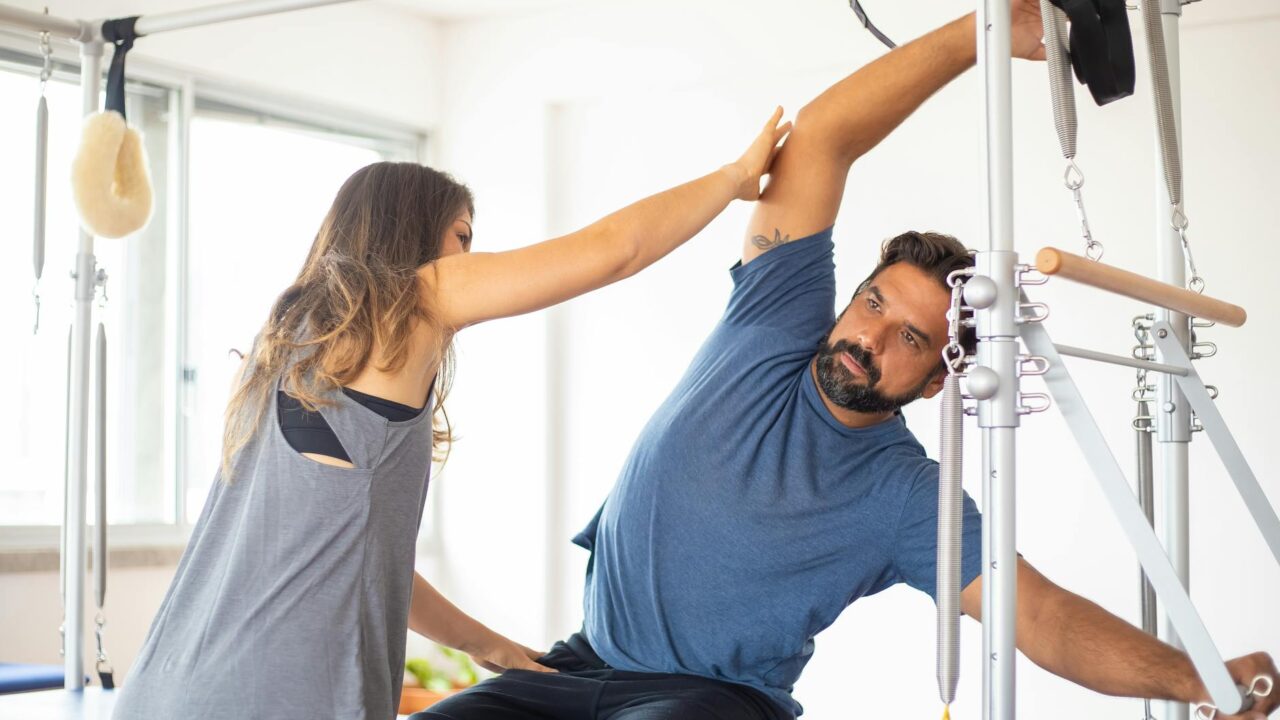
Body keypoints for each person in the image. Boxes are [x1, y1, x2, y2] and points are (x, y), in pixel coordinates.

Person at [417, 3, 1278, 719]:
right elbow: (822, 138)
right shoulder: (772, 319)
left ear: (940, 378)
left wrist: (1196, 677)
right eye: (873, 305)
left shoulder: (908, 498)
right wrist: (982, 32)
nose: (870, 339)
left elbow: (1040, 616)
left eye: (909, 337)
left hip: (708, 701)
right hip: (581, 666)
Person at [110, 109, 792, 720]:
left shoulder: (287, 347)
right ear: (414, 237)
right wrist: (734, 177)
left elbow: (358, 561)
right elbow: (616, 249)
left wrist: (484, 643)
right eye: (462, 237)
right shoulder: (414, 298)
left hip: (162, 692)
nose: (469, 258)